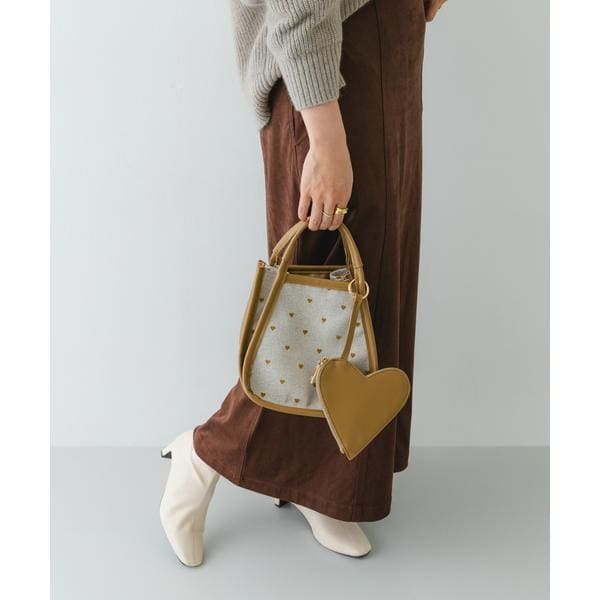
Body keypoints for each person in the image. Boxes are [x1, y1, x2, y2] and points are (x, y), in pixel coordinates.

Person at [159, 0, 446, 566]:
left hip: (389, 50)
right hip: (327, 66)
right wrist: (326, 136)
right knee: (312, 302)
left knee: (365, 296)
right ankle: (206, 452)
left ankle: (322, 482)